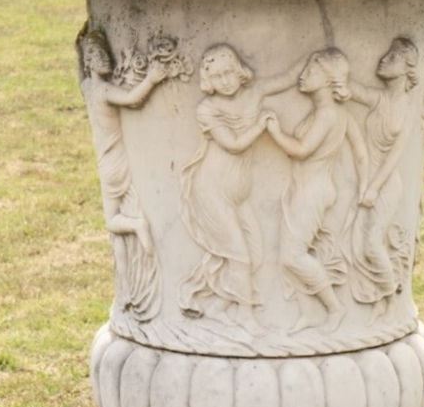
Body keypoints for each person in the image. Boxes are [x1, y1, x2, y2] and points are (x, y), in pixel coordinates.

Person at [263, 48, 370, 333]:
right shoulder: (334, 114)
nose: (302, 75)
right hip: (305, 189)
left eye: (310, 71)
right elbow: (360, 152)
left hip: (313, 191)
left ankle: (335, 309)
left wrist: (273, 131)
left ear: (327, 79)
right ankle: (309, 312)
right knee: (289, 256)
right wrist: (367, 183)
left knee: (291, 255)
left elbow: (301, 150)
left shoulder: (328, 115)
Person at [76, 23, 172, 322]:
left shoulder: (89, 88)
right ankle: (136, 229)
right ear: (90, 62)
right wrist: (153, 79)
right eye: (97, 55)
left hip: (111, 159)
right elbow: (132, 99)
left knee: (111, 218)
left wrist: (79, 45)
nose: (104, 58)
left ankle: (128, 290)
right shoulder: (101, 89)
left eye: (105, 53)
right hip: (115, 159)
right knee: (113, 219)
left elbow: (80, 71)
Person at [177, 44, 275, 329]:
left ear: (239, 71)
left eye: (229, 73)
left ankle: (219, 306)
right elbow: (233, 145)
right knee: (239, 255)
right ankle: (245, 317)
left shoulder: (254, 94)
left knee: (254, 254)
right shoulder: (207, 109)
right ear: (208, 80)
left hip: (238, 193)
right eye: (217, 76)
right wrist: (261, 126)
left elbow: (285, 78)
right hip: (211, 192)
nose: (226, 81)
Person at [347, 37, 422, 306]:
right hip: (364, 179)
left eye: (392, 57)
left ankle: (390, 298)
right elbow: (353, 90)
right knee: (356, 240)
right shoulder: (379, 98)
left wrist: (373, 188)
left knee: (372, 243)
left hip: (386, 183)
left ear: (408, 67)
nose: (383, 59)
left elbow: (395, 156)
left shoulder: (407, 107)